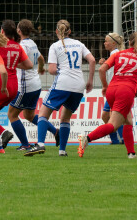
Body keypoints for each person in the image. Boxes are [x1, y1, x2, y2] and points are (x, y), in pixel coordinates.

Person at [24, 19, 95, 157]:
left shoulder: (55, 46)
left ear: (57, 31)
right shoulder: (79, 44)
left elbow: (51, 70)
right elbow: (92, 60)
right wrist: (90, 80)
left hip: (63, 83)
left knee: (43, 113)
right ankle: (62, 150)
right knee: (65, 118)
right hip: (78, 85)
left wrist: (62, 71)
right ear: (69, 31)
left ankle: (40, 144)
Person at [78, 32, 137, 159]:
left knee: (128, 120)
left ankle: (131, 153)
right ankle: (87, 138)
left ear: (129, 43)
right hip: (126, 91)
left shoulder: (118, 54)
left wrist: (105, 86)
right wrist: (136, 92)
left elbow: (101, 69)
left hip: (112, 89)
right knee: (113, 125)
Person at [8, 19, 59, 150]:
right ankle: (55, 132)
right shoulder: (32, 44)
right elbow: (41, 58)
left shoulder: (22, 46)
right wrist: (41, 68)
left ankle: (25, 144)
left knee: (12, 115)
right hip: (36, 84)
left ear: (18, 31)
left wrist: (10, 65)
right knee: (29, 116)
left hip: (25, 86)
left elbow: (25, 64)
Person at [0, 20, 33, 153]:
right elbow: (29, 65)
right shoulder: (18, 47)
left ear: (2, 32)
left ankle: (2, 133)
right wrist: (13, 65)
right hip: (13, 87)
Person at [99, 32, 125, 145]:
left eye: (106, 41)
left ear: (113, 43)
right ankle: (117, 140)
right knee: (106, 116)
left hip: (116, 89)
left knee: (110, 116)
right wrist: (105, 63)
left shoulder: (116, 54)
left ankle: (120, 139)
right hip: (113, 89)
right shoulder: (114, 54)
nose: (104, 43)